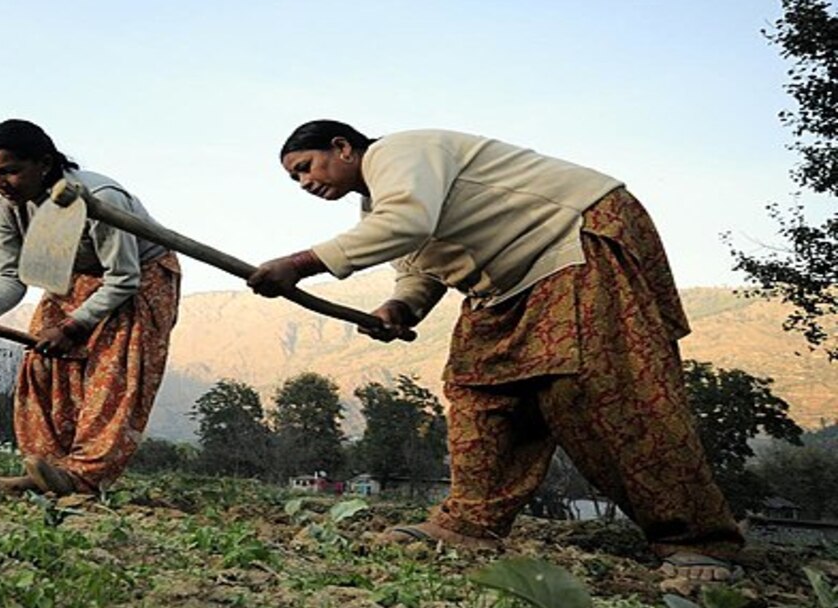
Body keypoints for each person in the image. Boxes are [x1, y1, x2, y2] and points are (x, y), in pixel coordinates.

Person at [247, 120, 745, 582]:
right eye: (295, 180)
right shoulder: (377, 208)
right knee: (477, 388)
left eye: (306, 168)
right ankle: (470, 522)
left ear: (342, 147)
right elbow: (421, 270)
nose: (306, 184)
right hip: (503, 286)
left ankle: (699, 538)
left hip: (572, 238)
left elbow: (409, 223)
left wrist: (299, 263)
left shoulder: (400, 153)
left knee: (604, 389)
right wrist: (398, 308)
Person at [0, 119, 181, 495]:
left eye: (9, 171)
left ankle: (82, 477)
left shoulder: (100, 196)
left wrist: (74, 326)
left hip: (138, 278)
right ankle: (49, 470)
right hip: (72, 277)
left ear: (44, 162)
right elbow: (9, 276)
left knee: (113, 377)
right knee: (42, 362)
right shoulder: (3, 208)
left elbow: (123, 277)